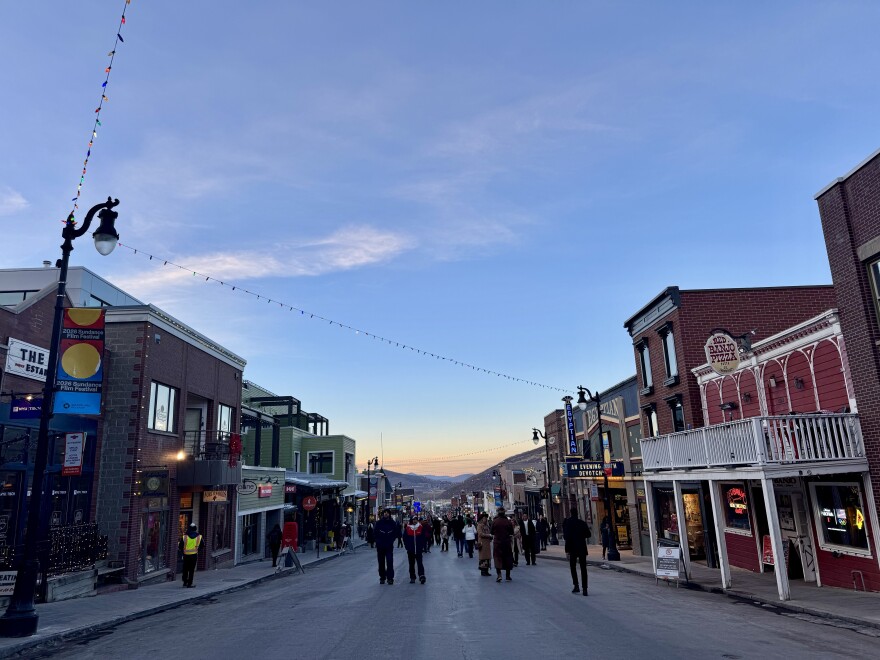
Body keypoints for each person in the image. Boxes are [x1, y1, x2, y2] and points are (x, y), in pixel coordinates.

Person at [563, 509, 591, 596]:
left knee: (573, 567)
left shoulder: (568, 523)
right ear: (577, 514)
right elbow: (588, 534)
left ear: (570, 513)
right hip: (581, 547)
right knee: (583, 568)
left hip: (572, 548)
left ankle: (576, 585)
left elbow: (566, 537)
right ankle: (585, 589)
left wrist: (567, 550)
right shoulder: (582, 523)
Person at [374, 509, 400, 585]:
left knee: (389, 561)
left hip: (389, 545)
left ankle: (390, 578)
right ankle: (382, 577)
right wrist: (378, 541)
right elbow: (375, 533)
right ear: (383, 514)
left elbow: (396, 532)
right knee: (381, 562)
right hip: (380, 546)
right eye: (384, 513)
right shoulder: (379, 523)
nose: (386, 514)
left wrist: (392, 539)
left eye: (387, 513)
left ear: (389, 514)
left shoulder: (392, 523)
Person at [491, 508, 515, 582]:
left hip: (497, 543)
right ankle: (508, 576)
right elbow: (512, 532)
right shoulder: (508, 522)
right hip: (506, 542)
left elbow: (492, 532)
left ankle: (499, 575)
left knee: (497, 558)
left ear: (498, 513)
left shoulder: (495, 521)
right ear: (504, 513)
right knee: (507, 558)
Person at [403, 515, 427, 584]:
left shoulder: (420, 527)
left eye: (416, 519)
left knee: (420, 563)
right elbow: (405, 538)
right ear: (411, 520)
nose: (414, 521)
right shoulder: (408, 528)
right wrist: (407, 547)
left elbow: (423, 538)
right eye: (413, 519)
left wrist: (422, 546)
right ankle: (412, 577)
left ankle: (422, 576)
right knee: (411, 564)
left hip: (418, 549)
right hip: (411, 550)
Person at [178, 523, 202, 588]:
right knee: (191, 570)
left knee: (185, 569)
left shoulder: (185, 536)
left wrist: (183, 552)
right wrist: (197, 550)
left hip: (186, 555)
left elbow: (180, 546)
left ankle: (185, 582)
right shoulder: (199, 537)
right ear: (195, 529)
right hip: (194, 555)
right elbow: (202, 546)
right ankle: (190, 583)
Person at [476, 512, 493, 576]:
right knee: (483, 558)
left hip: (487, 543)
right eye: (484, 518)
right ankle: (483, 571)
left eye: (486, 518)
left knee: (487, 557)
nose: (486, 520)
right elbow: (480, 534)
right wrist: (489, 535)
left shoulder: (487, 525)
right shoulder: (479, 525)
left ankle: (486, 570)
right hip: (482, 544)